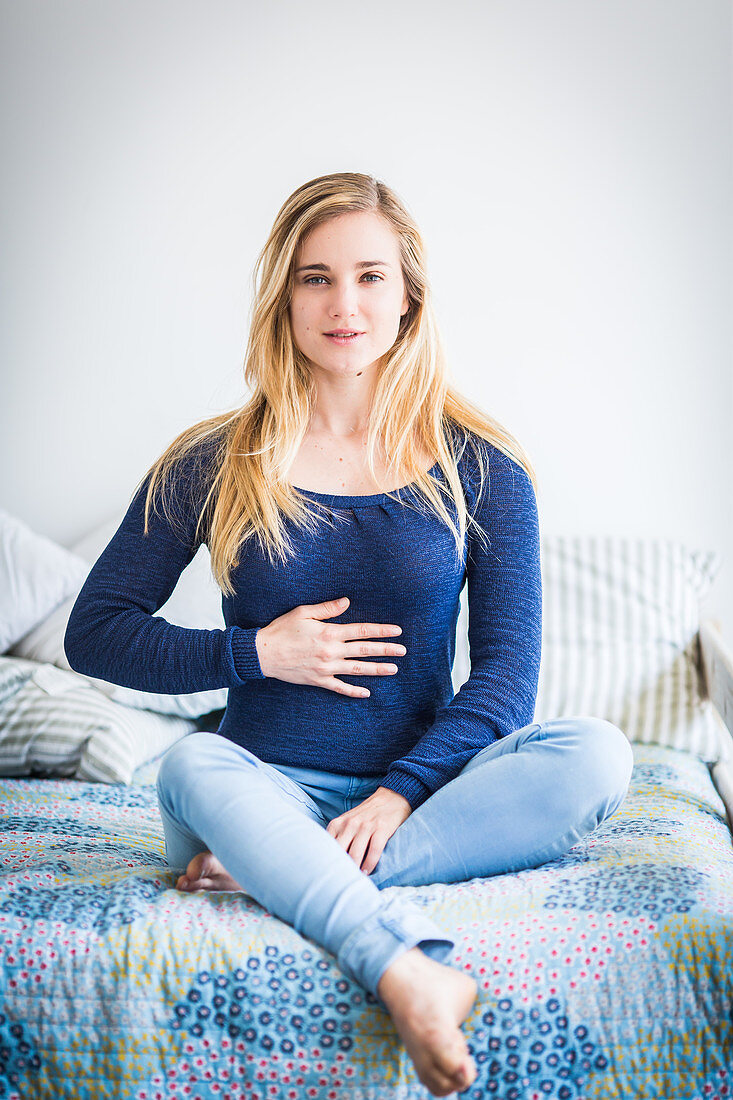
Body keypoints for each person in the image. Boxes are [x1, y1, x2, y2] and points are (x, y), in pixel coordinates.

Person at [64, 171, 634, 1097]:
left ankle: (274, 875)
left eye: (369, 275)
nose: (343, 303)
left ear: (408, 293)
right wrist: (253, 653)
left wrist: (400, 796)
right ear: (283, 296)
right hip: (255, 788)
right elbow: (95, 635)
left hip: (423, 798)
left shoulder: (480, 465)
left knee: (597, 754)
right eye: (315, 277)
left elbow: (506, 678)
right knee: (186, 767)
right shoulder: (211, 460)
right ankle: (405, 968)